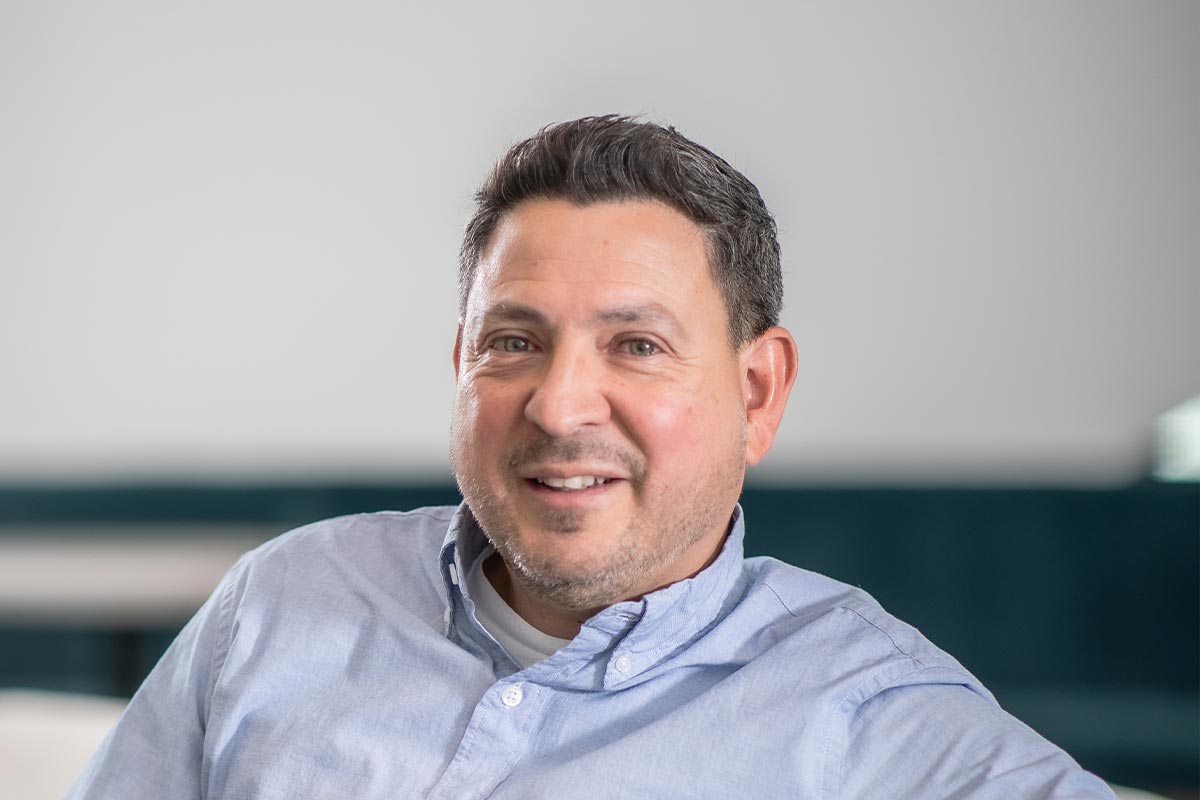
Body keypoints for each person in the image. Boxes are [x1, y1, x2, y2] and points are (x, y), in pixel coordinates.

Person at [67, 116, 1116, 799]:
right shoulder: (279, 604)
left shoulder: (876, 728)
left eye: (638, 346)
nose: (561, 403)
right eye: (514, 341)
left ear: (758, 391)